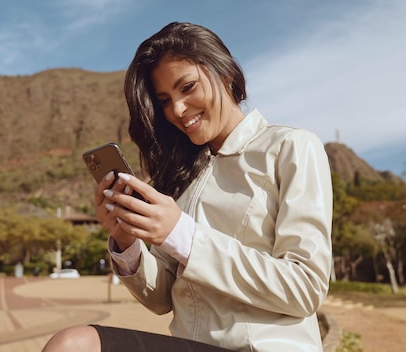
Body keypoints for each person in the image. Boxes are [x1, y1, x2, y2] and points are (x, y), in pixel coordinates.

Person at [42, 22, 333, 352]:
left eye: (188, 87)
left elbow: (306, 288)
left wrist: (183, 234)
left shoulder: (291, 147)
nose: (177, 110)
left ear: (226, 75)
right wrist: (127, 242)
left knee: (75, 345)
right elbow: (162, 299)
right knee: (72, 345)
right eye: (164, 100)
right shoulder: (184, 177)